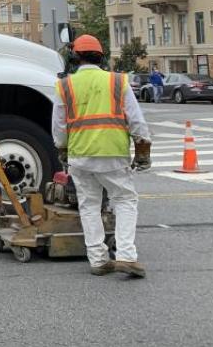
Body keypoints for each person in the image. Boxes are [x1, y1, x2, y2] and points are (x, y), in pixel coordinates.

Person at [53, 34, 151, 278]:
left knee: (89, 206)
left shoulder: (65, 85)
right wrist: (142, 149)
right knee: (125, 200)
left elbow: (59, 125)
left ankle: (98, 259)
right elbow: (136, 119)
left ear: (75, 57)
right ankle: (126, 256)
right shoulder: (118, 82)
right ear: (101, 56)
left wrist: (62, 149)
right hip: (113, 153)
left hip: (80, 154)